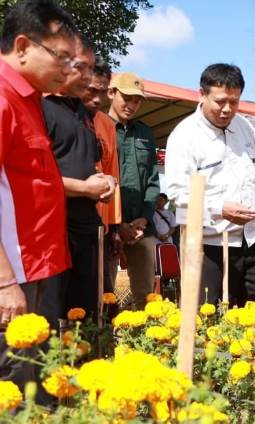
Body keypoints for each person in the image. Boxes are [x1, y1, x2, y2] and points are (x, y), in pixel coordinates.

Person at [0, 0, 75, 391]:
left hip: (37, 268)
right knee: (12, 386)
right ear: (24, 46)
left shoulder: (29, 101)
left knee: (34, 383)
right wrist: (4, 283)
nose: (68, 69)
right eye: (61, 57)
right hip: (12, 275)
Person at [165, 63, 255, 310]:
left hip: (254, 238)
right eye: (220, 101)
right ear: (202, 94)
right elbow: (177, 192)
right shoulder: (184, 136)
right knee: (207, 318)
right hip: (209, 244)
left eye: (235, 101)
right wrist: (219, 209)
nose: (227, 109)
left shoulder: (245, 127)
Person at [41, 35, 116, 327]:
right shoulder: (41, 108)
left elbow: (84, 164)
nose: (87, 80)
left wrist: (103, 182)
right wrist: (84, 188)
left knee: (86, 311)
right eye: (82, 70)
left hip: (88, 227)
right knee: (52, 313)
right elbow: (35, 179)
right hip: (55, 228)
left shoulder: (84, 116)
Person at [108, 72, 160, 310]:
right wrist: (117, 224)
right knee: (104, 293)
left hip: (141, 227)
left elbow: (152, 180)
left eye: (137, 100)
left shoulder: (146, 133)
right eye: (127, 97)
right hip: (108, 226)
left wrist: (143, 219)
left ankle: (145, 341)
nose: (132, 105)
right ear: (111, 93)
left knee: (145, 295)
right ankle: (105, 344)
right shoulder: (98, 126)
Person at [82, 56, 122, 295]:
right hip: (66, 224)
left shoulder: (107, 125)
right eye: (90, 90)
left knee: (101, 296)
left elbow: (113, 174)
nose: (97, 99)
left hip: (101, 226)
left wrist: (115, 228)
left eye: (102, 92)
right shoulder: (52, 111)